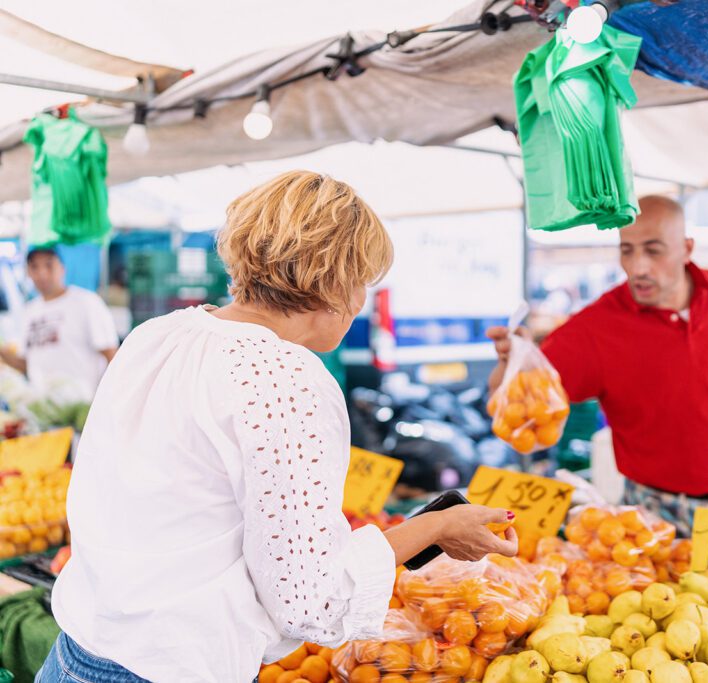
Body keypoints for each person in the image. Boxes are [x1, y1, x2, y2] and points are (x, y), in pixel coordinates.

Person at [37, 172, 517, 682]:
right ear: (329, 280)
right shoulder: (283, 376)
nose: (359, 303)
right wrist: (435, 527)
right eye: (361, 282)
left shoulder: (158, 335)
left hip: (73, 654)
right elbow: (309, 599)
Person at [488, 196, 708, 535]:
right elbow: (512, 404)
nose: (638, 267)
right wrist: (513, 362)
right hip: (657, 513)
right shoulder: (594, 327)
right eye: (627, 250)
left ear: (686, 248)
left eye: (653, 251)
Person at [0, 247, 118, 400]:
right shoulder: (29, 311)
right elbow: (27, 365)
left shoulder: (86, 302)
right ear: (28, 272)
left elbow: (112, 355)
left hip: (86, 407)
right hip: (45, 410)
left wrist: (110, 399)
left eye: (49, 265)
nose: (42, 273)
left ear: (62, 269)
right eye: (34, 267)